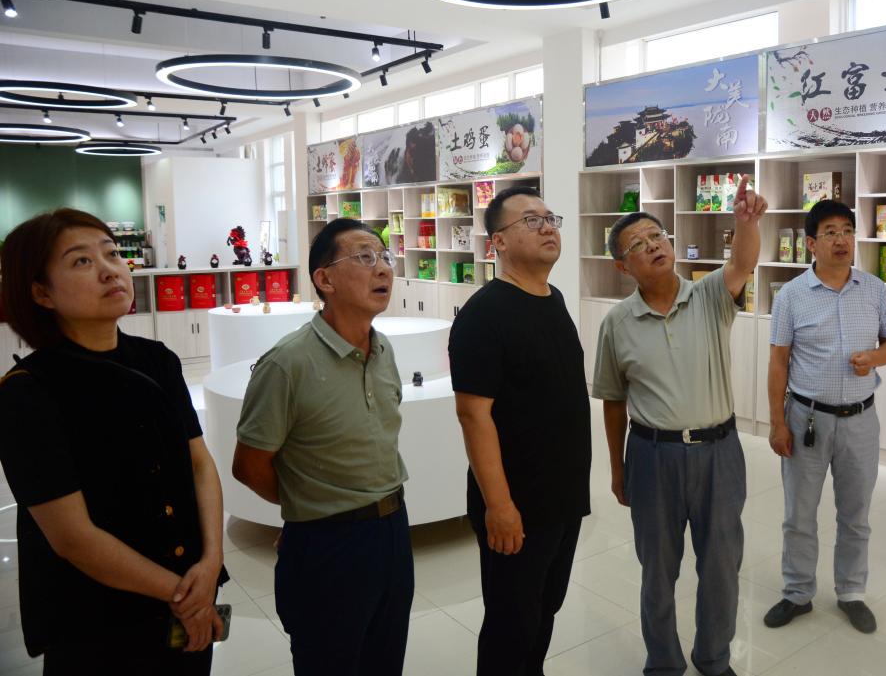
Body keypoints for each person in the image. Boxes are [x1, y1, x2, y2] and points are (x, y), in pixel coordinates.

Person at [0, 209, 228, 676]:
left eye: (112, 254)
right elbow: (73, 538)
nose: (110, 270)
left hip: (191, 593)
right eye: (81, 261)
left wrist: (211, 563)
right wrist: (183, 595)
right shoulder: (27, 393)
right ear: (41, 293)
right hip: (99, 621)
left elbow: (199, 464)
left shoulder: (158, 360)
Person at [593, 176, 766, 676]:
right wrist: (617, 468)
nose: (653, 246)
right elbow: (613, 401)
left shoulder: (709, 295)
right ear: (622, 266)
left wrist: (746, 223)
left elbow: (743, 264)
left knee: (721, 566)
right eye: (637, 245)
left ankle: (714, 658)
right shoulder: (617, 323)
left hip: (719, 452)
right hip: (652, 456)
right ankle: (664, 662)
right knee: (657, 571)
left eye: (657, 236)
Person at [233, 218, 412, 676]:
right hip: (327, 545)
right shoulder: (286, 363)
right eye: (365, 257)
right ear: (324, 279)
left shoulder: (384, 351)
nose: (383, 270)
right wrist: (308, 505)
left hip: (393, 530)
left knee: (385, 659)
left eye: (385, 258)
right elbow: (249, 465)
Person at [448, 186, 591, 676]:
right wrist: (500, 506)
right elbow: (473, 416)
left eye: (550, 218)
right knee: (511, 624)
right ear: (499, 242)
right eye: (530, 220)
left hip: (562, 498)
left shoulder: (553, 299)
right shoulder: (484, 314)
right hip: (517, 505)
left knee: (544, 610)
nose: (547, 226)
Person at [762, 200, 886, 635]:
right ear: (811, 244)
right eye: (830, 232)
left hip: (860, 420)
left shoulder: (874, 289)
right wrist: (777, 422)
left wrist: (873, 358)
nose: (841, 239)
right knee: (799, 514)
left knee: (855, 514)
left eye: (847, 230)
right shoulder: (791, 295)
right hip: (806, 419)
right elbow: (778, 362)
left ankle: (852, 592)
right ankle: (797, 592)